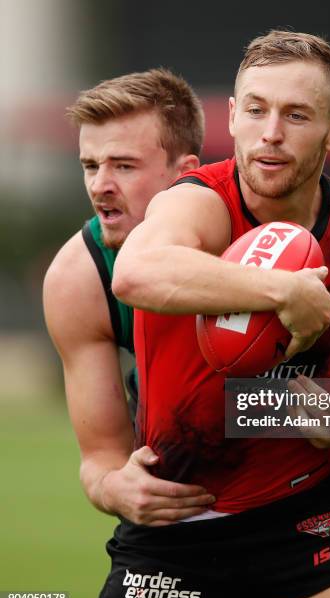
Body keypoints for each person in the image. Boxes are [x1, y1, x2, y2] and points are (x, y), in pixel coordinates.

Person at [111, 31, 330, 598]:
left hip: (308, 518)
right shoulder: (196, 204)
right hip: (176, 526)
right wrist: (283, 292)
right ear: (231, 117)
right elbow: (136, 272)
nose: (271, 133)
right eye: (256, 110)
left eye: (297, 115)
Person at [43, 68, 219, 525]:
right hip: (175, 523)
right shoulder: (80, 276)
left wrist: (270, 409)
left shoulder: (264, 242)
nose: (100, 185)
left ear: (186, 175)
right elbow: (101, 459)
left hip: (297, 515)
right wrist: (115, 487)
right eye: (89, 165)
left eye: (123, 165)